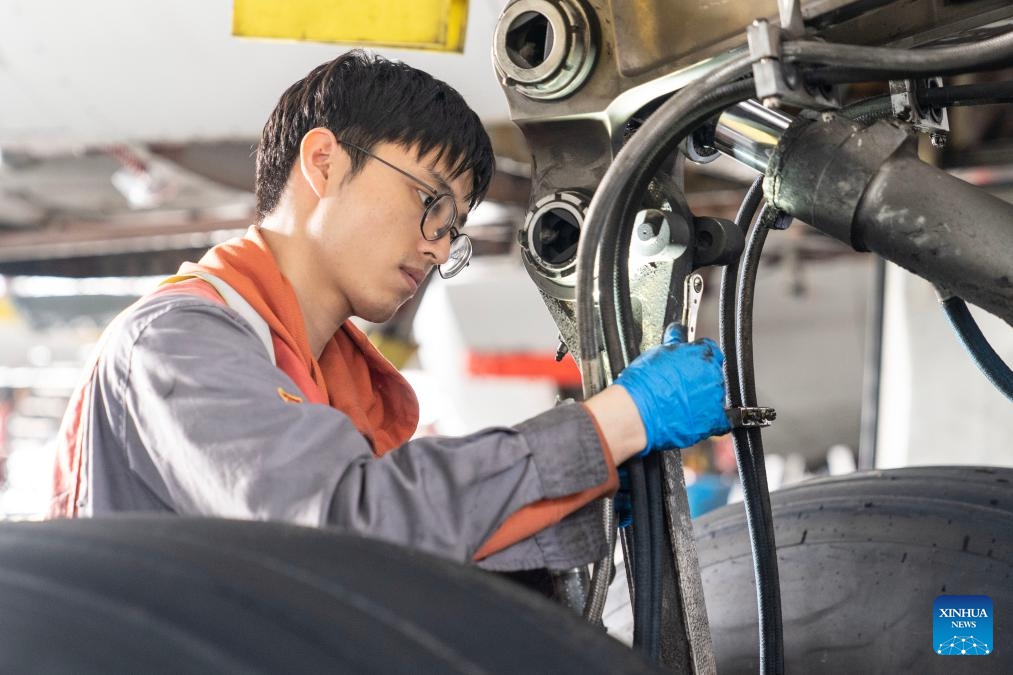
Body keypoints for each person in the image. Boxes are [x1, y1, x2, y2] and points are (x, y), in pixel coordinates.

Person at [49, 50, 730, 571]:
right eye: (428, 202)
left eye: (454, 229)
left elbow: (414, 549)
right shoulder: (175, 342)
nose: (437, 248)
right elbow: (345, 529)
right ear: (324, 162)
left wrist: (588, 493)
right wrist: (612, 422)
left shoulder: (318, 378)